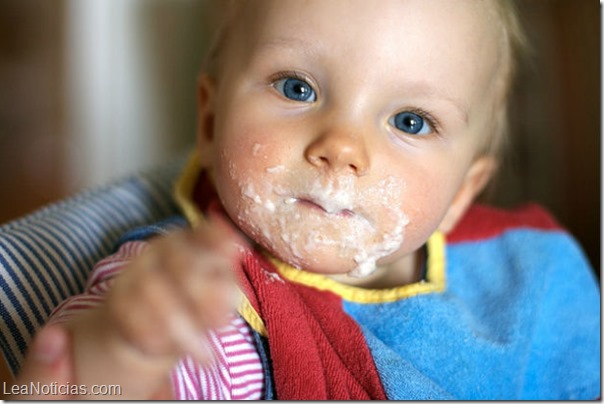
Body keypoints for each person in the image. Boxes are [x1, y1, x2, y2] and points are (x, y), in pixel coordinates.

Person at [10, 0, 600, 400]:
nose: (343, 147)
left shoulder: (532, 270)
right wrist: (125, 353)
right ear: (211, 123)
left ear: (462, 194)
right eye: (298, 87)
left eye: (411, 121)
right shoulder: (202, 296)